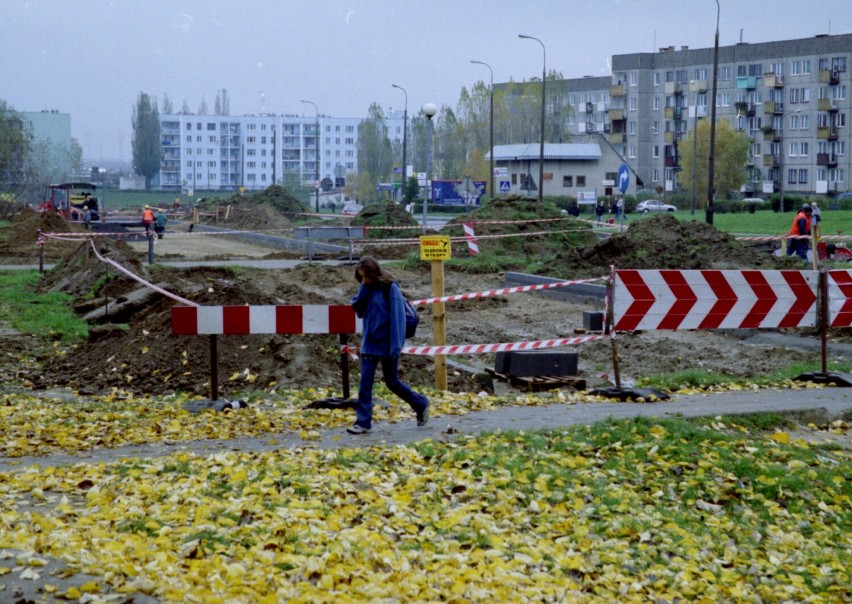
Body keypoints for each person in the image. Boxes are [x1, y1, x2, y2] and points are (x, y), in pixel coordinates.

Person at [348, 256, 429, 435]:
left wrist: (395, 347)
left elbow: (398, 319)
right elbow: (359, 310)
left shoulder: (390, 288)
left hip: (388, 344)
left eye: (366, 276)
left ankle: (421, 403)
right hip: (370, 342)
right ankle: (362, 423)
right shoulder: (366, 288)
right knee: (365, 384)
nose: (364, 280)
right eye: (361, 277)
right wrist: (363, 287)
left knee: (392, 382)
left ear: (373, 273)